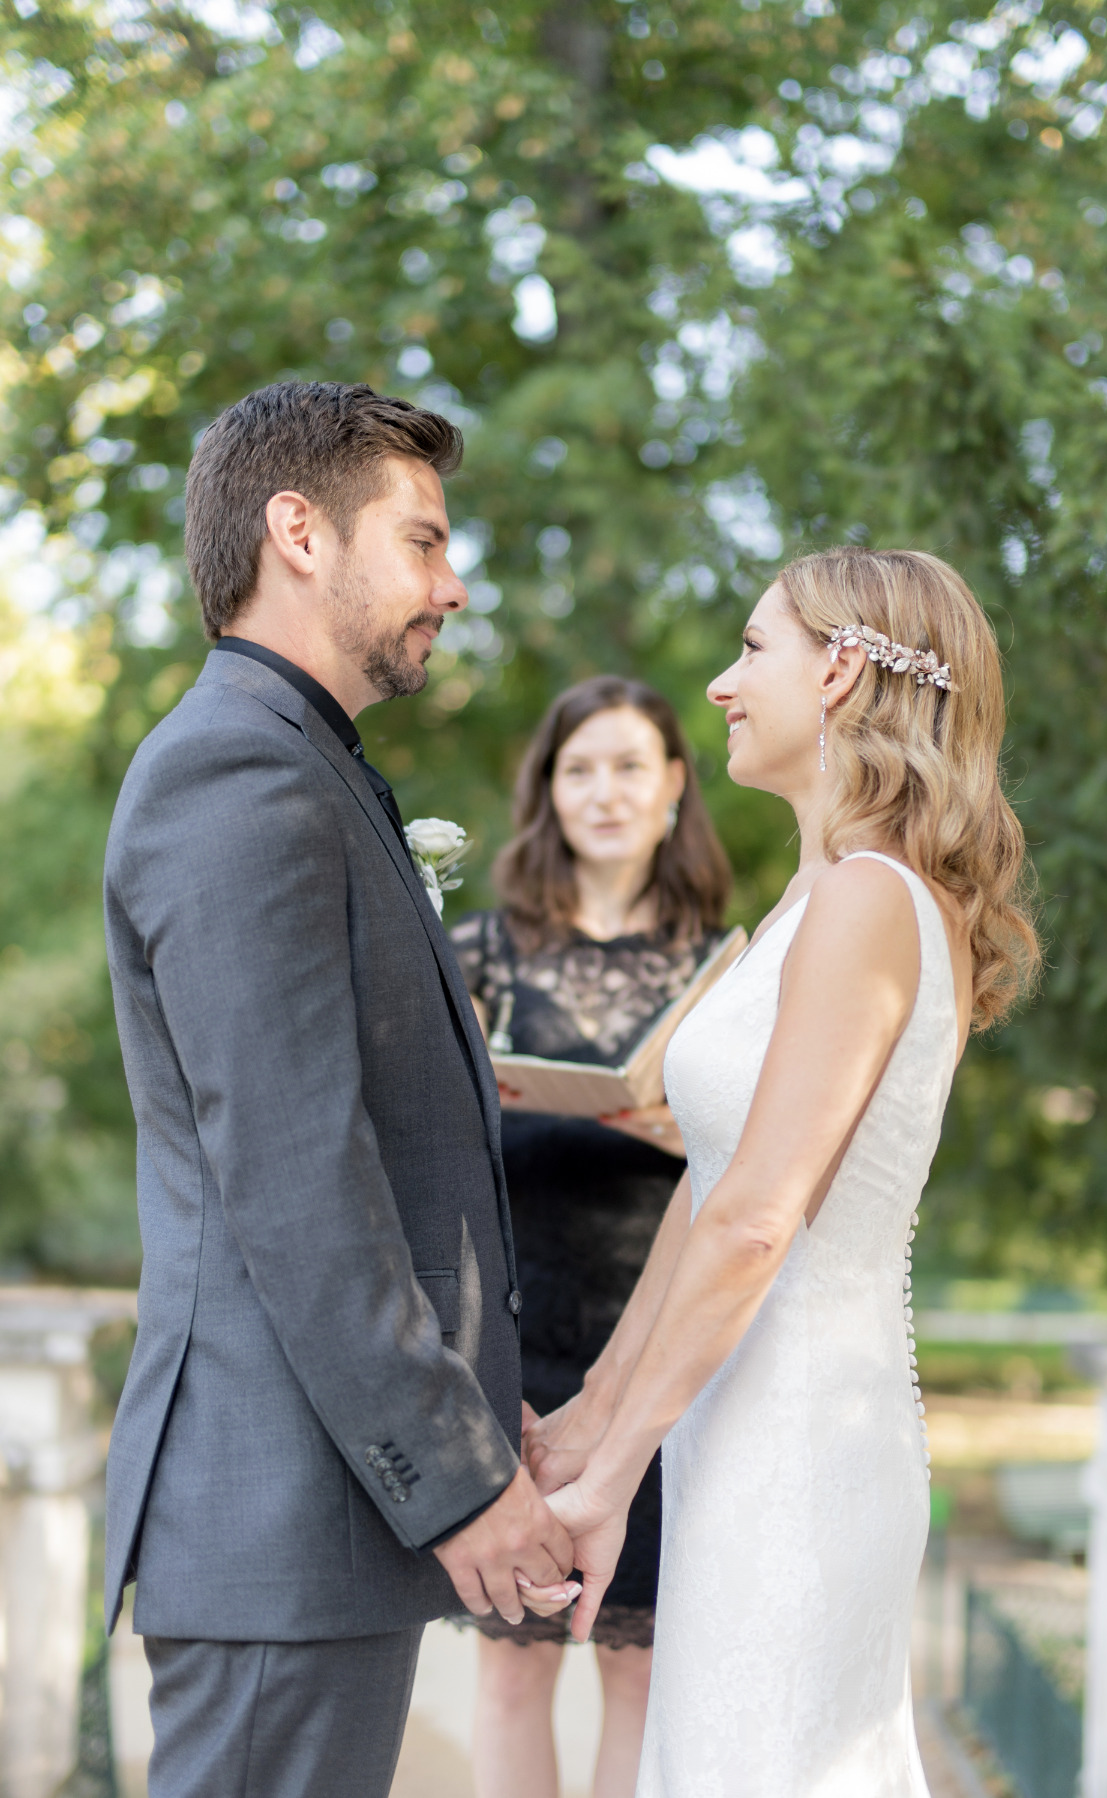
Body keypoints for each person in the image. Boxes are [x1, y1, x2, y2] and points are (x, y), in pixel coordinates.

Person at [101, 381, 578, 1798]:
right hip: (279, 1525)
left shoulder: (303, 761)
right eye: (424, 541)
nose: (454, 580)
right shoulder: (238, 773)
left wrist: (490, 1412)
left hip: (314, 1532)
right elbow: (300, 1179)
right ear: (297, 532)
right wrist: (461, 1474)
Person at [527, 548, 1040, 1796]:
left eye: (753, 649)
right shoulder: (813, 901)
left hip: (805, 1439)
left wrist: (612, 1481)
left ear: (845, 670)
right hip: (740, 1422)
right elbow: (713, 1183)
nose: (718, 685)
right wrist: (594, 1409)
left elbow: (760, 1220)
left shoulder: (873, 900)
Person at [449, 676, 732, 1798]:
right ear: (547, 793)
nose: (604, 792)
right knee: (511, 1675)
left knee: (642, 1667)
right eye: (580, 769)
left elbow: (763, 1166)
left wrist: (682, 1125)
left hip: (661, 1357)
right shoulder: (478, 953)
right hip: (517, 1345)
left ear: (673, 786)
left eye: (628, 765)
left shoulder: (726, 968)